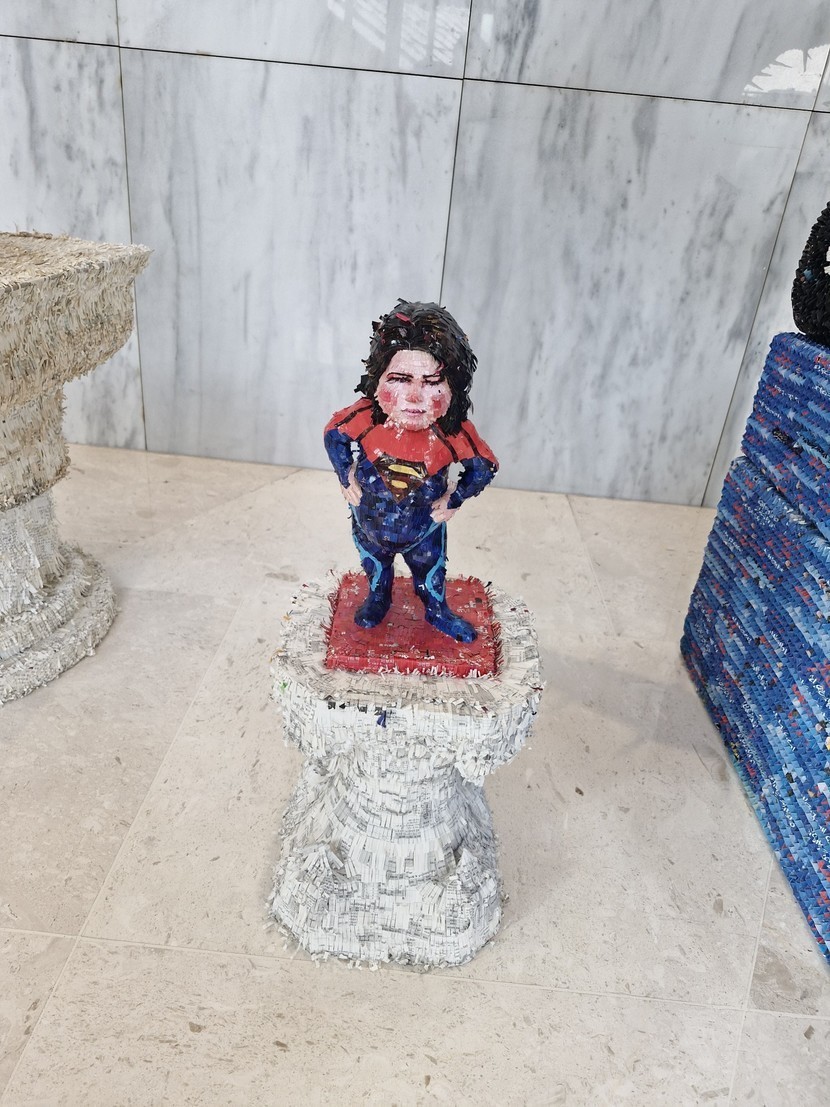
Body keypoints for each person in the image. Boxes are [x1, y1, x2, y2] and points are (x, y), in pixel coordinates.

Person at [324, 300, 498, 642]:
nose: (415, 397)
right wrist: (345, 475)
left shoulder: (452, 432)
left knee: (430, 576)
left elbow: (484, 466)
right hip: (368, 526)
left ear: (453, 386)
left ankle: (436, 610)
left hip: (424, 531)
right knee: (375, 568)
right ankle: (379, 597)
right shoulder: (365, 417)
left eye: (432, 382)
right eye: (401, 379)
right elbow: (334, 434)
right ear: (377, 380)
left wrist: (454, 499)